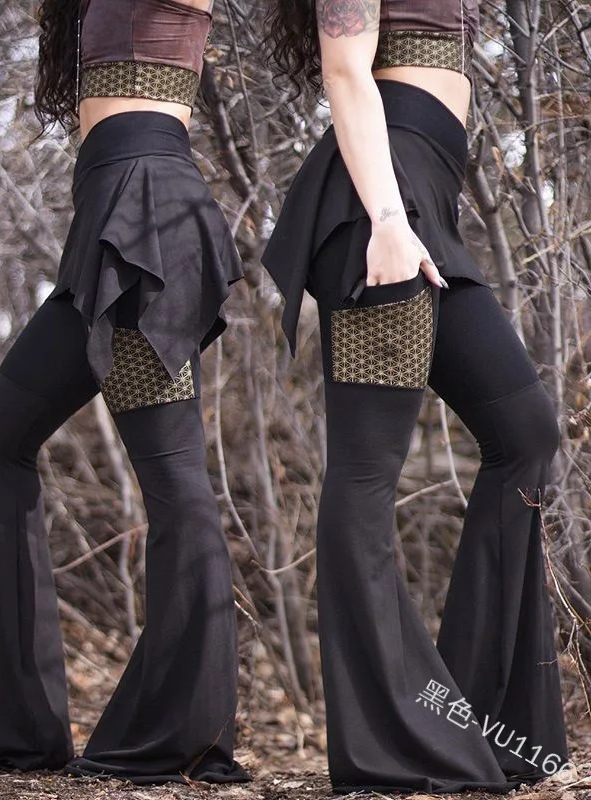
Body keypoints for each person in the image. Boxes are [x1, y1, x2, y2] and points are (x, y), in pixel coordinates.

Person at [263, 0, 569, 794]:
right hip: (381, 208)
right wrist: (387, 218)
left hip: (427, 201)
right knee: (367, 471)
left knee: (526, 434)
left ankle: (470, 720)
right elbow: (345, 71)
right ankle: (392, 743)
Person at [0, 0, 250, 785]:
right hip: (110, 222)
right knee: (0, 434)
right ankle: (6, 726)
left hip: (150, 225)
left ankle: (182, 737)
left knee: (175, 485)